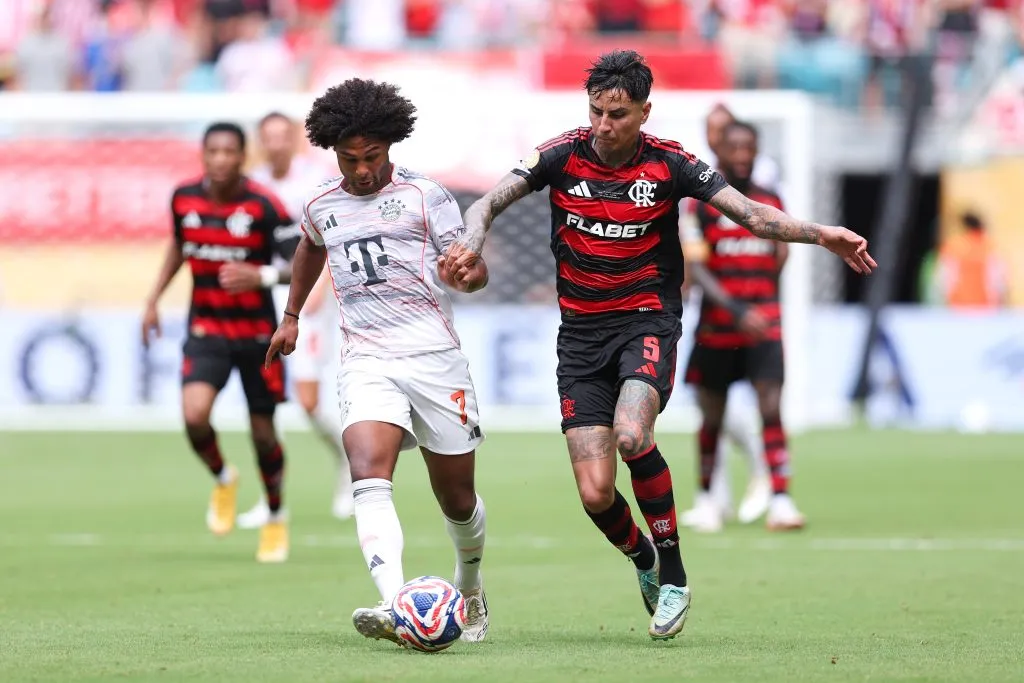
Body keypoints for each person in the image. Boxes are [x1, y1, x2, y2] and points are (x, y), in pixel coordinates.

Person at [442, 49, 874, 640]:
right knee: (596, 496)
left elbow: (749, 215)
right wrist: (473, 239)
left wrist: (822, 234)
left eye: (616, 114)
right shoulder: (561, 154)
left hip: (646, 321)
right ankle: (643, 558)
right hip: (580, 337)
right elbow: (489, 201)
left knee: (631, 434)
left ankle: (674, 573)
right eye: (595, 111)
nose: (602, 125)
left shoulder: (672, 165)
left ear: (645, 111)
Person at [265, 78, 491, 646]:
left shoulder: (426, 197)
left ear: (391, 144)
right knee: (368, 471)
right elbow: (311, 245)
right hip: (366, 357)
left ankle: (470, 583)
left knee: (457, 498)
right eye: (349, 158)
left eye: (372, 156)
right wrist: (292, 314)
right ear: (332, 152)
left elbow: (468, 267)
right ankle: (396, 605)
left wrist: (468, 274)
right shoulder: (321, 204)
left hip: (435, 359)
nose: (362, 169)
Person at [142, 121, 298, 563]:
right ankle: (224, 477)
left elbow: (300, 264)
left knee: (264, 435)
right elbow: (180, 245)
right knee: (194, 418)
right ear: (203, 155)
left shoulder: (264, 204)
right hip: (206, 330)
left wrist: (261, 275)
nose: (221, 160)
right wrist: (153, 298)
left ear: (242, 156)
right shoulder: (183, 197)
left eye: (230, 152)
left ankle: (275, 515)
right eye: (214, 152)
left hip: (257, 338)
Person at [681, 120, 806, 533]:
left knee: (770, 409)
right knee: (711, 419)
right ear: (721, 153)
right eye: (732, 147)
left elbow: (782, 253)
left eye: (747, 147)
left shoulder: (771, 200)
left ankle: (782, 499)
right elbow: (697, 268)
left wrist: (762, 298)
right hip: (718, 327)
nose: (740, 155)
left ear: (756, 151)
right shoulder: (701, 205)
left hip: (763, 325)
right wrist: (737, 309)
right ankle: (706, 501)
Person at [238, 111, 355, 528]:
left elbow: (327, 236)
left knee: (308, 402)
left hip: (304, 297)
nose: (275, 144)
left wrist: (316, 290)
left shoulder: (315, 180)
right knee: (262, 403)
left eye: (282, 136)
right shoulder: (252, 185)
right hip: (262, 298)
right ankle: (271, 501)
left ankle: (350, 468)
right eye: (267, 137)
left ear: (294, 140)